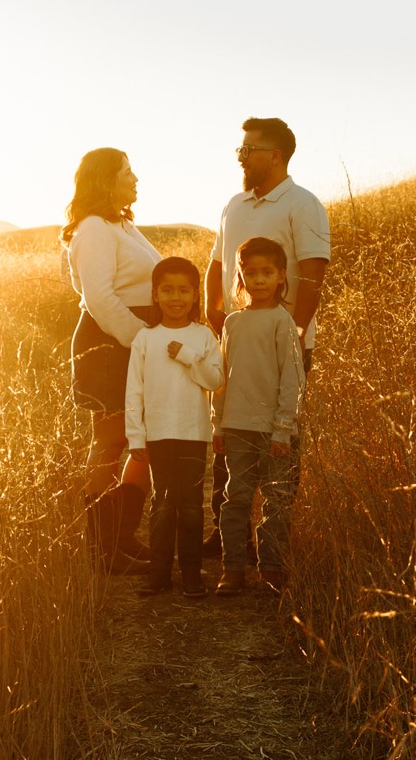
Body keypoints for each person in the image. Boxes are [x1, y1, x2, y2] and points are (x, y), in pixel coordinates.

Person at [204, 117, 331, 558]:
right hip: (236, 342)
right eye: (240, 149)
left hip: (284, 344)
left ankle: (274, 548)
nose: (240, 156)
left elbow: (313, 272)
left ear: (274, 155)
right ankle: (226, 543)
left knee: (280, 441)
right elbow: (216, 263)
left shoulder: (302, 203)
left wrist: (294, 333)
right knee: (231, 434)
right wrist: (212, 312)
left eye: (248, 149)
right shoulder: (233, 206)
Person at [63, 147, 161, 574]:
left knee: (141, 440)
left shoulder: (120, 224)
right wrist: (140, 339)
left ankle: (123, 537)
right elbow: (97, 297)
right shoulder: (94, 229)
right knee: (110, 442)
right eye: (127, 172)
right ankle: (103, 551)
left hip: (131, 341)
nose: (135, 178)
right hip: (109, 346)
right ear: (106, 181)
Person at [124, 257, 224, 598]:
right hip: (158, 434)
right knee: (163, 503)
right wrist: (136, 436)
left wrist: (188, 355)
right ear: (155, 294)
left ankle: (192, 574)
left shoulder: (203, 337)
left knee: (192, 505)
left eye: (183, 290)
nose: (175, 298)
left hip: (193, 433)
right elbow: (133, 392)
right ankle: (160, 573)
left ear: (196, 295)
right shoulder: (145, 338)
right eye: (168, 290)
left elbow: (215, 379)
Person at [212, 236, 304, 595]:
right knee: (236, 498)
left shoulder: (283, 322)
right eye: (252, 273)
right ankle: (232, 568)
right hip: (237, 428)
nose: (260, 280)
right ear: (241, 277)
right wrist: (217, 423)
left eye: (268, 273)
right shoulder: (233, 323)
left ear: (282, 276)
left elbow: (292, 380)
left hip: (273, 431)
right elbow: (220, 378)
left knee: (276, 500)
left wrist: (283, 428)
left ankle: (271, 570)